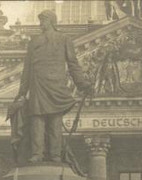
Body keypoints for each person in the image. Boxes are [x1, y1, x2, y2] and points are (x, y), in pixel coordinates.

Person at [15, 10, 93, 163]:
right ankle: (37, 154)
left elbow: (73, 64)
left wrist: (82, 83)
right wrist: (22, 92)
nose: (40, 24)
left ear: (51, 21)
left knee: (55, 119)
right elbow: (27, 69)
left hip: (56, 85)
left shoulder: (64, 39)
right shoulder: (34, 41)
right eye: (40, 20)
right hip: (38, 84)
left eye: (43, 20)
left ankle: (55, 155)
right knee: (37, 118)